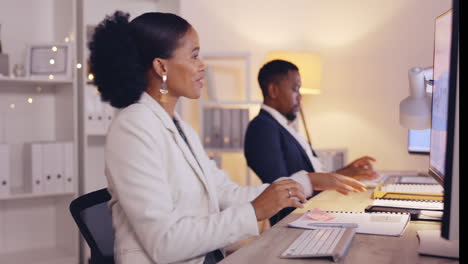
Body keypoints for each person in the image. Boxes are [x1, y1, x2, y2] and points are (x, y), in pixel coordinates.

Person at [90, 11, 367, 264]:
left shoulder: (179, 127)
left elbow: (226, 194)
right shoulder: (132, 128)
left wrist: (305, 181)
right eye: (194, 55)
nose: (203, 66)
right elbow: (165, 244)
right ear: (162, 67)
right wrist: (254, 211)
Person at [244, 59, 378, 225]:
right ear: (273, 90)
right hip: (296, 221)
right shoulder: (262, 128)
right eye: (295, 89)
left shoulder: (283, 126)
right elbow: (281, 189)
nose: (300, 97)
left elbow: (310, 177)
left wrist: (345, 173)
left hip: (313, 212)